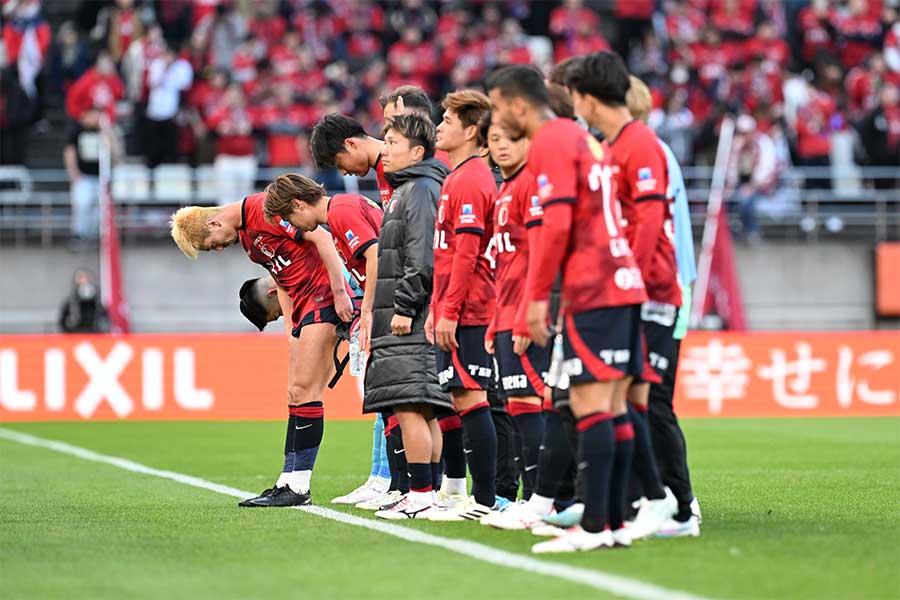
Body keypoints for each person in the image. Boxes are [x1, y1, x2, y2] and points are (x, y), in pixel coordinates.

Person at [487, 64, 645, 553]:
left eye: (495, 106)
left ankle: (595, 526)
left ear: (517, 105)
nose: (495, 118)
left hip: (593, 286)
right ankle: (614, 522)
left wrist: (536, 298)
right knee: (613, 406)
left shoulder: (552, 140)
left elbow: (554, 226)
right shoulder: (580, 138)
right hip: (620, 281)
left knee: (589, 405)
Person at [169, 188, 354, 508]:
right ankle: (287, 480)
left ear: (213, 224)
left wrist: (340, 292)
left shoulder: (264, 209)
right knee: (295, 393)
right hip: (305, 306)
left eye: (212, 245)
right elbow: (281, 280)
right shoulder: (248, 240)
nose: (219, 248)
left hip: (324, 298)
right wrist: (289, 329)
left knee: (306, 391)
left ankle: (299, 487)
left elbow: (322, 238)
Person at [564, 52, 679, 540]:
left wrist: (625, 273)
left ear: (589, 100)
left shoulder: (639, 145)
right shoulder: (613, 146)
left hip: (644, 291)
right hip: (630, 288)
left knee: (638, 400)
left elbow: (650, 221)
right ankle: (647, 502)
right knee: (628, 399)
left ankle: (668, 503)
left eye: (574, 99)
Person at [263, 175, 394, 507]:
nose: (297, 227)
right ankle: (384, 478)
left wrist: (366, 310)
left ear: (298, 205)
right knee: (384, 398)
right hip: (387, 303)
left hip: (388, 306)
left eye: (291, 219)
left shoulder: (341, 210)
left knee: (392, 397)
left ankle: (405, 484)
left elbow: (376, 256)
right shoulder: (346, 207)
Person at [363, 113, 452, 519]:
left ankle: (419, 494)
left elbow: (422, 256)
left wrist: (404, 307)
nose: (386, 147)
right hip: (411, 313)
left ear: (417, 151)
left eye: (394, 141)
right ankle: (427, 491)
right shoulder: (411, 188)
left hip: (410, 317)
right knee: (423, 406)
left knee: (411, 405)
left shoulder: (417, 190)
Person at [627, 76, 701, 538]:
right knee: (641, 396)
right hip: (658, 287)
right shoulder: (642, 151)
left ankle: (682, 503)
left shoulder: (650, 152)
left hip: (667, 290)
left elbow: (657, 228)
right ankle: (655, 494)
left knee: (655, 398)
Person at [424, 89, 499, 522]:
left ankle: (484, 500)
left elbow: (468, 252)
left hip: (471, 309)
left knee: (471, 398)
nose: (439, 127)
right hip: (454, 306)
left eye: (448, 121)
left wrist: (450, 310)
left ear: (471, 131)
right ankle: (480, 497)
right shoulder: (457, 176)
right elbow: (448, 253)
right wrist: (438, 307)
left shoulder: (472, 179)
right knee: (461, 397)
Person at [477, 114, 549, 507]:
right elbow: (503, 265)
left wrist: (523, 314)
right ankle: (530, 498)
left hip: (527, 315)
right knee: (515, 408)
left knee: (534, 405)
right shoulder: (504, 190)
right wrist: (495, 320)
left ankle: (544, 496)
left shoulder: (531, 187)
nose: (502, 146)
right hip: (503, 315)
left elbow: (539, 255)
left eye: (511, 139)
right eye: (496, 139)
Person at [63, 107, 120, 243]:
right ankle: (79, 234)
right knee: (82, 203)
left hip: (102, 177)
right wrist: (73, 173)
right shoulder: (76, 131)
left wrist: (107, 132)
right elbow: (69, 152)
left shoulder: (105, 131)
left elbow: (115, 153)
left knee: (101, 209)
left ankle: (96, 235)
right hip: (84, 176)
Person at [309, 114, 394, 206]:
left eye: (339, 164)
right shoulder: (383, 167)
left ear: (350, 144)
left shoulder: (396, 163)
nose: (343, 173)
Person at [144, 45, 193, 168]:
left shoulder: (182, 67)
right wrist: (165, 69)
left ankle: (172, 165)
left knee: (171, 144)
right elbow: (152, 83)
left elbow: (185, 86)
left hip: (172, 112)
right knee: (154, 145)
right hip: (155, 111)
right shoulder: (156, 65)